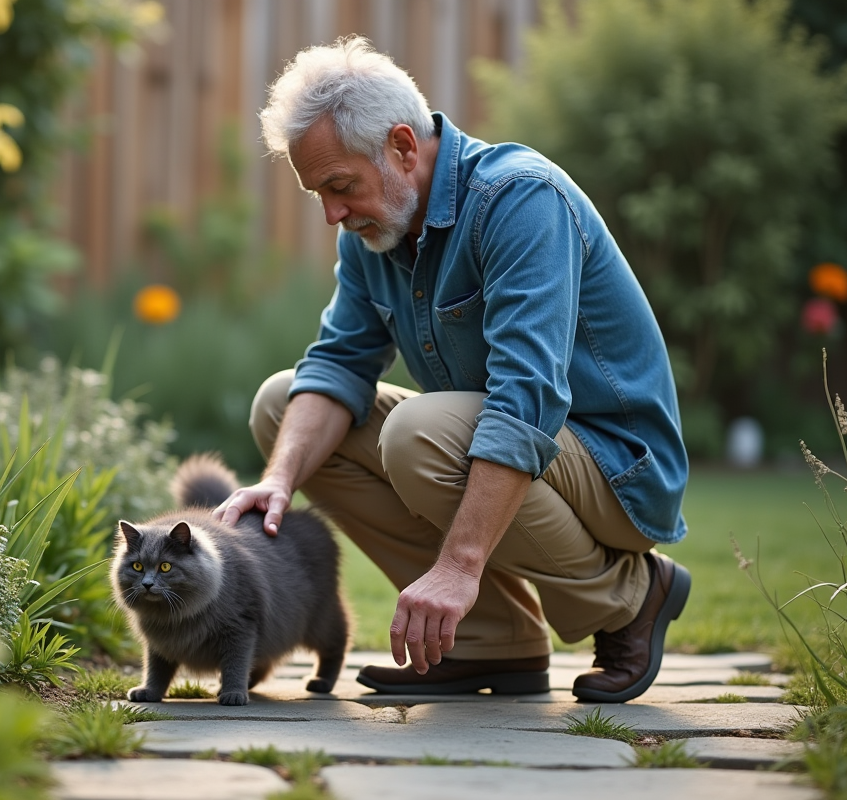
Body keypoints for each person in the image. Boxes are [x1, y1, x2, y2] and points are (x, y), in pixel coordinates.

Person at [213, 36, 691, 703]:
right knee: (282, 403)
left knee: (417, 433)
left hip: (620, 469)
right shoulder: (376, 229)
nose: (331, 213)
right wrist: (278, 482)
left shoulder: (520, 201)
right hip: (505, 446)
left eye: (341, 186)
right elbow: (339, 361)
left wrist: (459, 564)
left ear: (404, 148)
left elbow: (526, 395)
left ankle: (634, 595)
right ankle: (492, 642)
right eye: (318, 193)